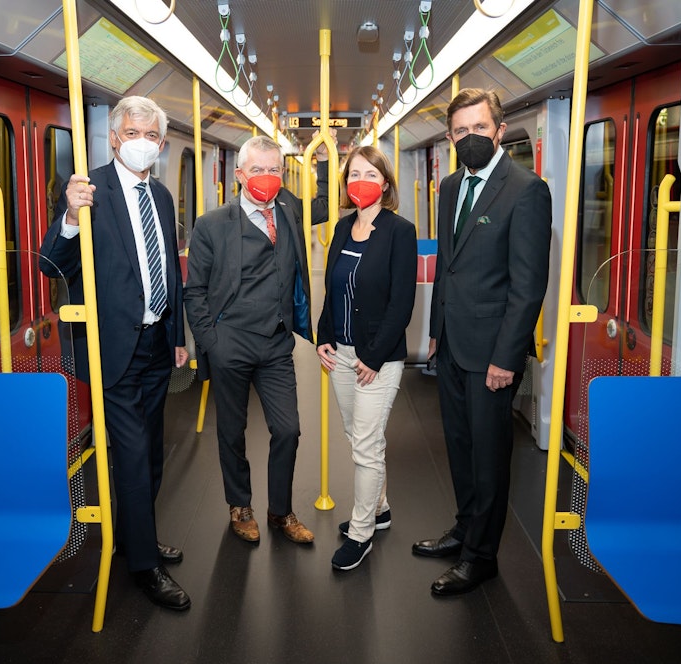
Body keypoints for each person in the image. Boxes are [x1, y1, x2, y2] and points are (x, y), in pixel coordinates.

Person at [39, 96, 191, 611]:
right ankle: (144, 566)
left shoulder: (162, 196)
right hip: (111, 345)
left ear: (162, 144)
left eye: (151, 136)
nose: (141, 143)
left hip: (155, 342)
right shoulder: (89, 193)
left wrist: (176, 335)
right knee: (131, 453)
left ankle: (133, 538)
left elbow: (169, 270)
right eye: (131, 133)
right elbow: (49, 264)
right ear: (113, 137)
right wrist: (69, 217)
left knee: (151, 452)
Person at [414, 89, 551, 595]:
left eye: (479, 127)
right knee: (459, 445)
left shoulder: (526, 190)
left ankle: (481, 556)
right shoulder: (450, 186)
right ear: (451, 137)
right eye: (460, 131)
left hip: (492, 351)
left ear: (500, 130)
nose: (469, 137)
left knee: (490, 456)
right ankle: (465, 529)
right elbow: (448, 266)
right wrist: (435, 331)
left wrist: (506, 358)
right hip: (452, 342)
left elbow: (528, 286)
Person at [184, 135, 329, 545]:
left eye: (274, 169)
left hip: (276, 343)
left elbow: (324, 205)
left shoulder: (289, 209)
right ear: (239, 175)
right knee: (232, 431)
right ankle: (240, 506)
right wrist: (212, 343)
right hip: (230, 342)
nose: (267, 176)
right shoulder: (212, 224)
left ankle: (280, 510)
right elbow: (195, 292)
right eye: (258, 169)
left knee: (288, 430)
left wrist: (322, 161)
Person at [315, 146, 417, 571]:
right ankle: (381, 508)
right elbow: (333, 288)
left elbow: (402, 303)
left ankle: (362, 533)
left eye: (370, 174)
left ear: (385, 183)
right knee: (358, 437)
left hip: (378, 358)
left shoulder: (400, 231)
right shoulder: (342, 228)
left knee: (366, 446)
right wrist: (323, 336)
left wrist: (373, 357)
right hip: (340, 352)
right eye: (354, 174)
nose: (361, 182)